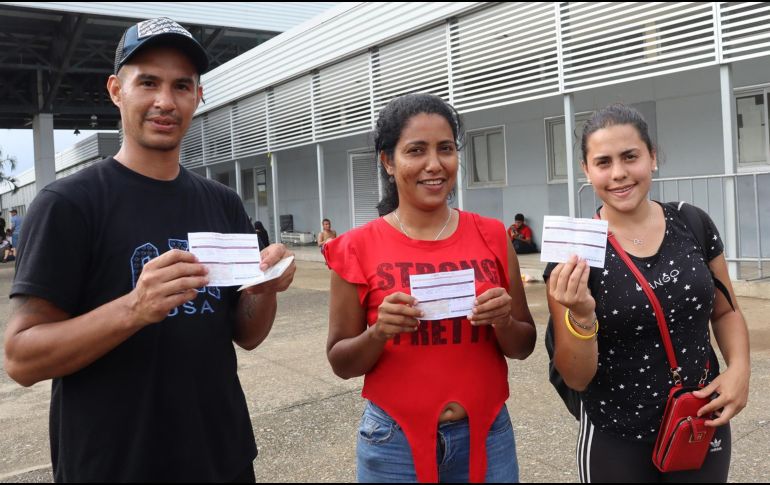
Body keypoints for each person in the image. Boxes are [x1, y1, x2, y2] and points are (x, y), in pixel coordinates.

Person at [3, 17, 296, 482]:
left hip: (222, 458)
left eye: (182, 85)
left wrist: (268, 286)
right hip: (114, 466)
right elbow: (21, 358)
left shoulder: (222, 203)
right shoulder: (68, 205)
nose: (165, 100)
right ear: (117, 90)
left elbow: (247, 333)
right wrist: (135, 308)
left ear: (197, 98)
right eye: (148, 82)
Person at [324, 93, 536, 483]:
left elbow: (523, 346)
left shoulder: (491, 234)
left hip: (486, 433)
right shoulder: (356, 247)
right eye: (416, 150)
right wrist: (378, 332)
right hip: (393, 443)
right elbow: (341, 362)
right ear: (388, 161)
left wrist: (503, 320)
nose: (434, 165)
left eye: (446, 149)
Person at [544, 104, 750, 482]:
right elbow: (575, 376)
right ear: (586, 171)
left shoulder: (693, 222)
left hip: (699, 420)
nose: (619, 173)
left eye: (630, 157)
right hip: (616, 438)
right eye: (603, 162)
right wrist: (582, 316)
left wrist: (739, 369)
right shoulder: (575, 251)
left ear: (652, 158)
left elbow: (726, 312)